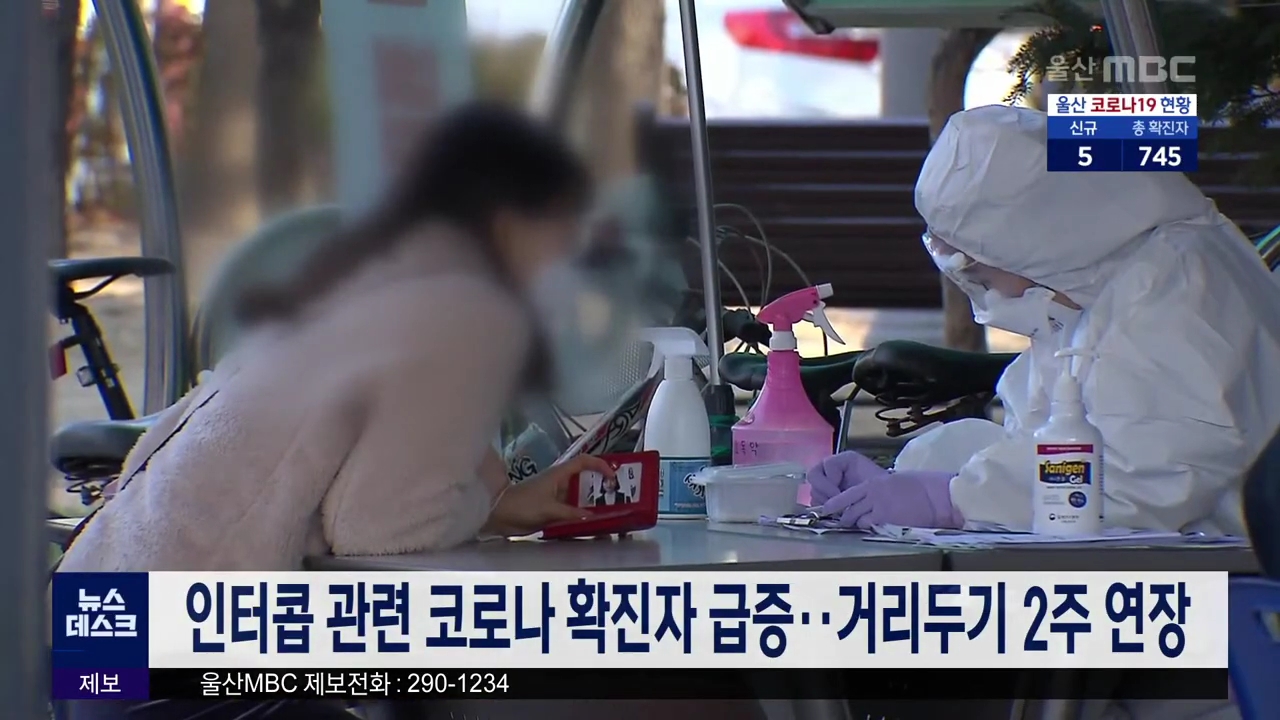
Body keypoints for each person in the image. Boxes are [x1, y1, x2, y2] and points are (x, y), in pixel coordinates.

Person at [52, 102, 616, 720]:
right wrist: (479, 506)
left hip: (95, 625)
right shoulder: (466, 310)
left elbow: (395, 441)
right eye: (563, 223)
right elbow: (380, 530)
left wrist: (504, 500)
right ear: (507, 222)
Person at [809, 103, 1280, 542]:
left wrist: (951, 498)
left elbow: (1145, 478)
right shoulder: (1096, 280)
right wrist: (921, 474)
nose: (987, 294)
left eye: (980, 273)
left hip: (1232, 576)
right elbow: (1046, 438)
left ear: (1032, 241)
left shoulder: (1177, 288)